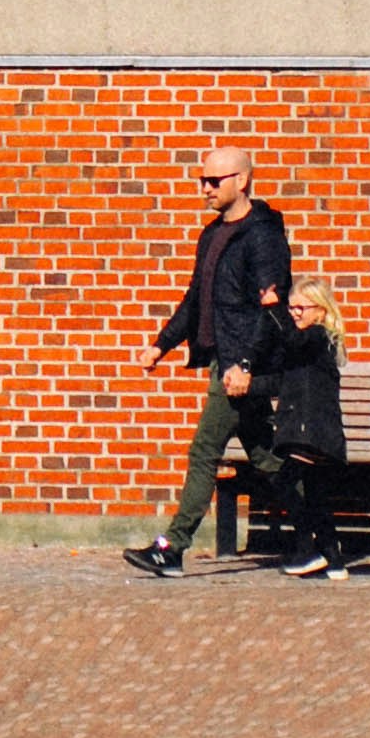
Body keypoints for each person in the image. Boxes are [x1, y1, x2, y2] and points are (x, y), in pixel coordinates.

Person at [122, 137, 294, 575]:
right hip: (225, 362)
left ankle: (172, 547)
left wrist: (247, 366)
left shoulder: (264, 236)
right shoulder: (212, 235)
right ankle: (321, 534)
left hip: (240, 366)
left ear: (243, 180)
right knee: (265, 457)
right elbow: (196, 299)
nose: (206, 188)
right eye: (203, 180)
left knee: (203, 452)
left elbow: (271, 311)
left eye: (215, 180)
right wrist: (160, 345)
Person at [251, 280, 350, 578]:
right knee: (316, 497)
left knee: (283, 483)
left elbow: (292, 340)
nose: (294, 313)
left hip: (314, 431)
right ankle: (334, 559)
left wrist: (274, 308)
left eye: (299, 308)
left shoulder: (318, 337)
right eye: (291, 306)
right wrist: (248, 387)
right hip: (310, 430)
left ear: (320, 311)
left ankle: (309, 550)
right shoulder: (305, 344)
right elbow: (283, 379)